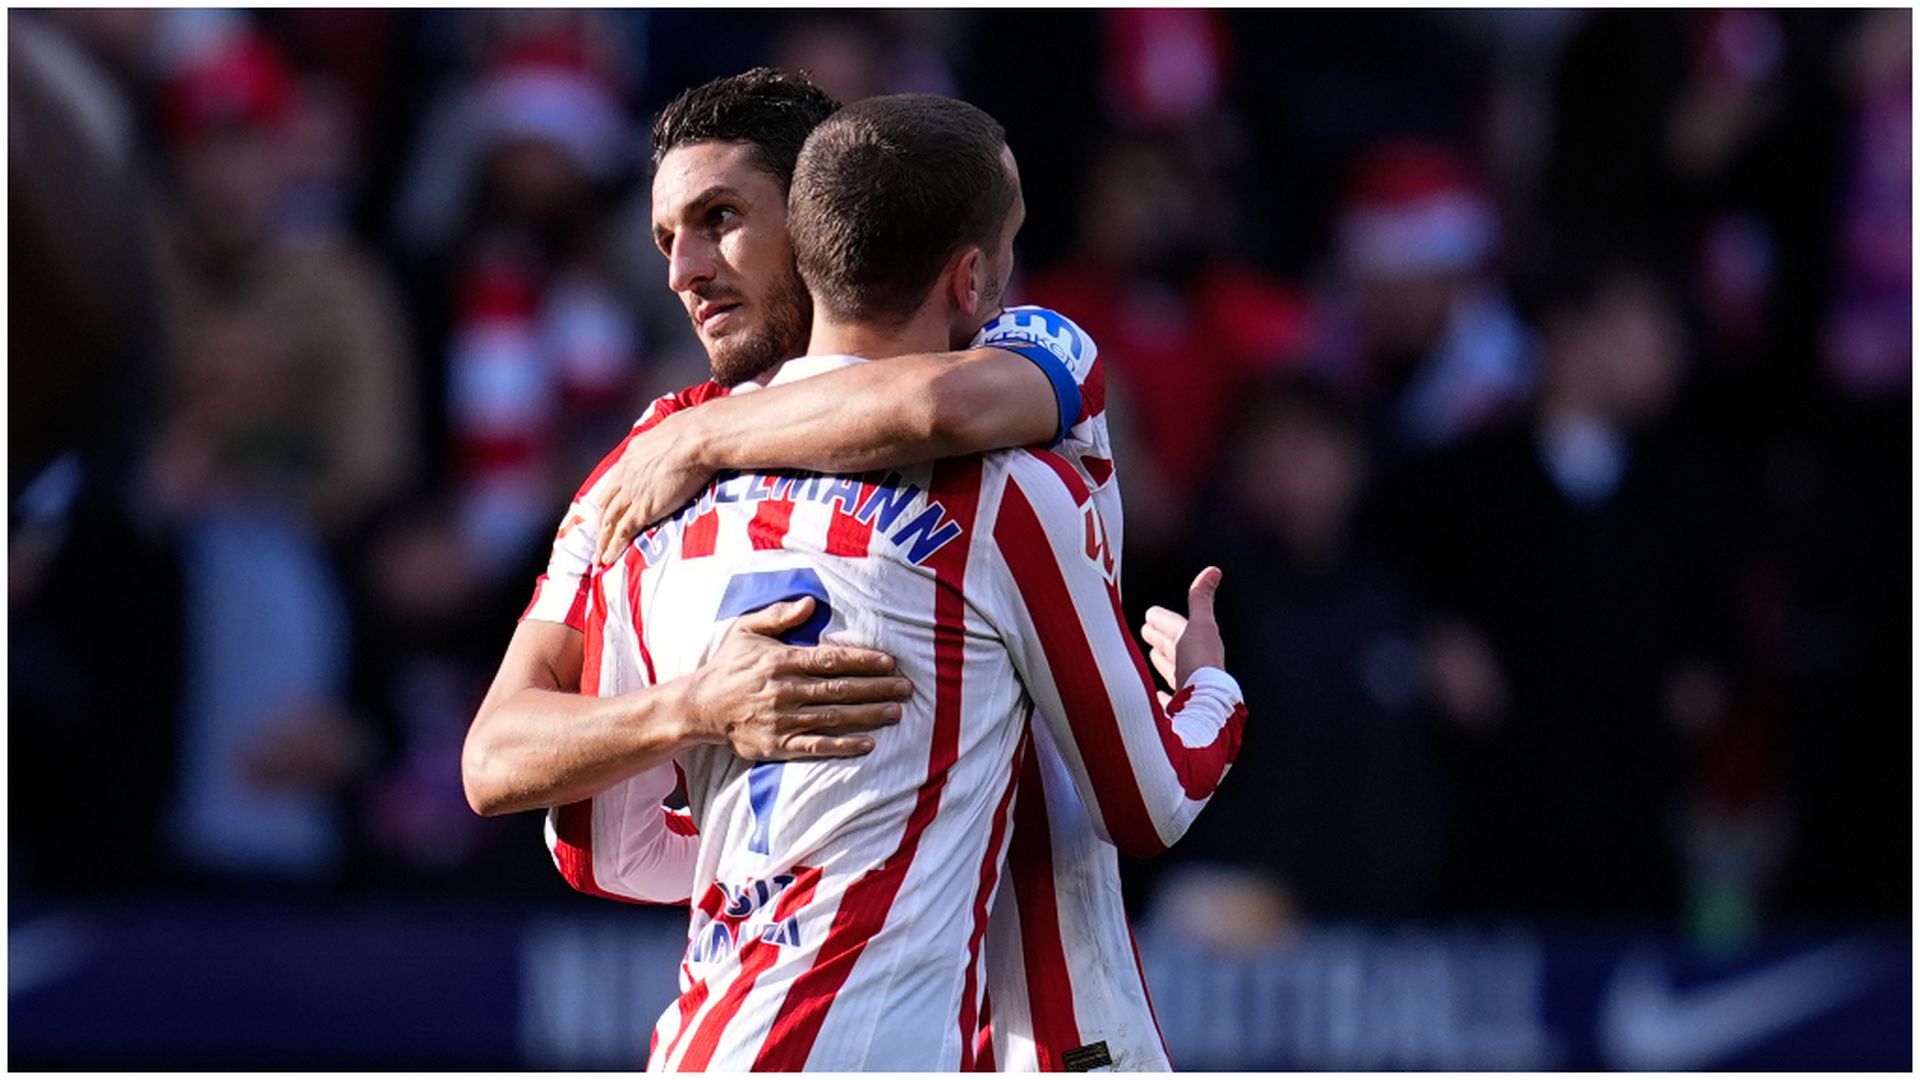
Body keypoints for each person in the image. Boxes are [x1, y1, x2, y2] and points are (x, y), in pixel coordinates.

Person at [468, 68, 1220, 1070]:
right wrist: (699, 716)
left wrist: (712, 440)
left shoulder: (1023, 359)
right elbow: (498, 760)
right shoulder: (647, 472)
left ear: (820, 212)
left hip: (1001, 1034)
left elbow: (934, 409)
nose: (683, 270)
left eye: (721, 219)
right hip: (900, 1028)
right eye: (664, 239)